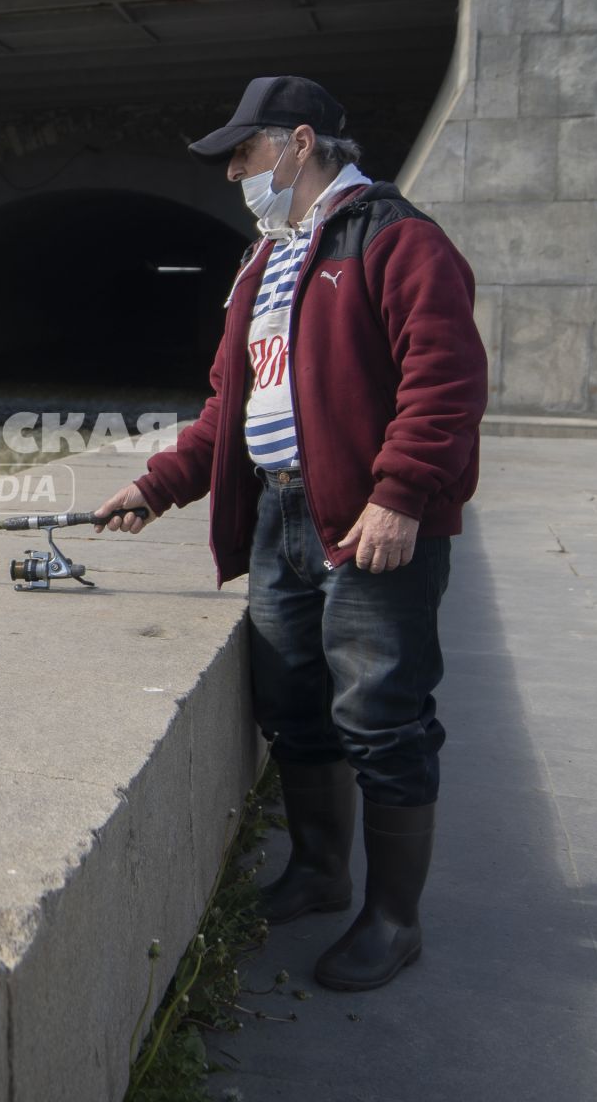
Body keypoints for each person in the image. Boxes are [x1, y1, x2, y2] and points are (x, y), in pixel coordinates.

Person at [91, 75, 488, 992]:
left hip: (368, 519)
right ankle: (318, 872)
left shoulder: (396, 239)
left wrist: (400, 496)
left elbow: (447, 381)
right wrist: (157, 486)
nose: (235, 171)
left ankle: (394, 921)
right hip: (278, 512)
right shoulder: (265, 263)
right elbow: (229, 406)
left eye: (245, 152)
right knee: (295, 706)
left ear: (299, 143)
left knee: (382, 716)